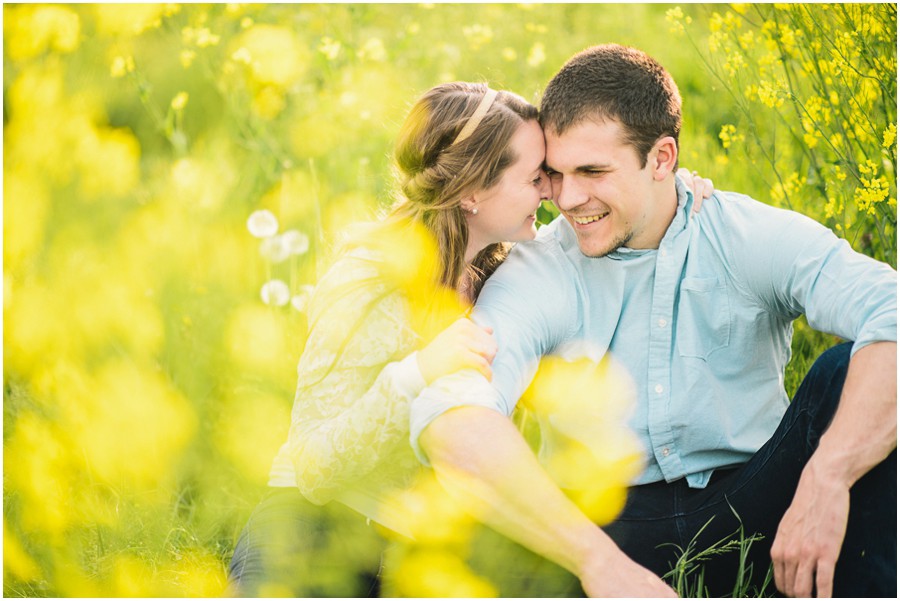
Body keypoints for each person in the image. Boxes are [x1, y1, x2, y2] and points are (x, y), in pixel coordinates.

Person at [411, 44, 897, 598]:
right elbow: (452, 411)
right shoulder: (539, 271)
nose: (568, 199)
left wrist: (828, 474)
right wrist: (598, 563)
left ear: (662, 159)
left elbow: (891, 310)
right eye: (556, 173)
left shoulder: (744, 234)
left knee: (845, 373)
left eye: (593, 171)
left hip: (757, 506)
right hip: (603, 526)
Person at [225, 79, 717, 596]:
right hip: (317, 526)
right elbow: (314, 467)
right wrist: (416, 374)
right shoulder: (368, 283)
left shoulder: (505, 266)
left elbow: (613, 213)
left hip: (431, 544)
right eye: (535, 177)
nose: (552, 192)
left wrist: (672, 190)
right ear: (472, 194)